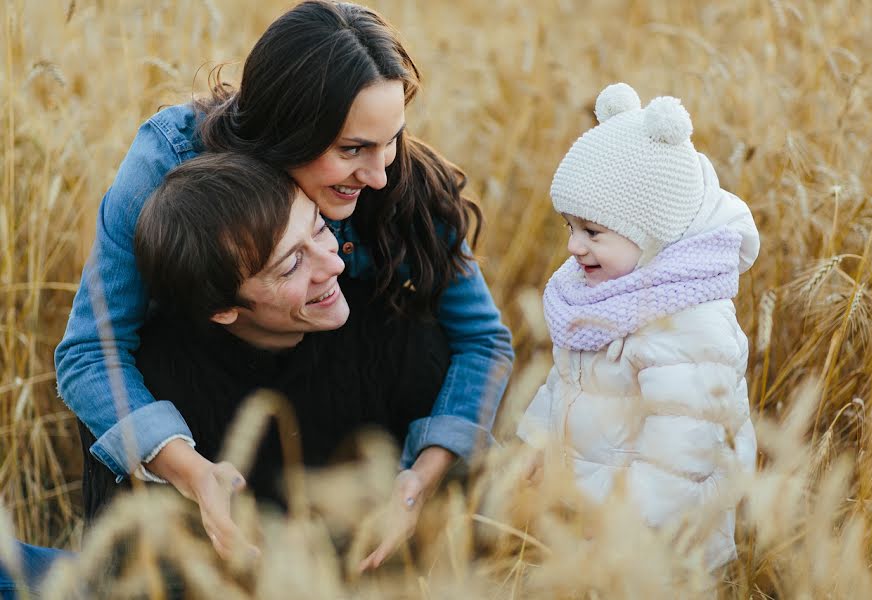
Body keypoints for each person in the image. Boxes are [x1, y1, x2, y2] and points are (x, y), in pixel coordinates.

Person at [54, 0, 513, 569]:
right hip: (211, 397)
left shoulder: (405, 185)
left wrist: (420, 479)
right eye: (351, 150)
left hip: (340, 405)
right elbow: (90, 353)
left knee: (424, 337)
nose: (379, 175)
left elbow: (482, 341)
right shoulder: (169, 159)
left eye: (392, 137)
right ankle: (140, 570)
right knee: (136, 376)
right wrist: (194, 475)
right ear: (286, 133)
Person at [516, 82, 759, 570]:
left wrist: (623, 525)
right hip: (589, 519)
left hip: (660, 547)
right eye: (569, 227)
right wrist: (536, 443)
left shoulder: (688, 322)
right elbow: (565, 376)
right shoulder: (603, 289)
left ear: (652, 235)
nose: (573, 247)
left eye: (592, 232)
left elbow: (682, 450)